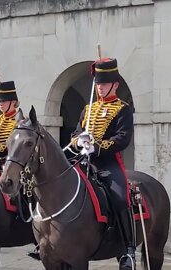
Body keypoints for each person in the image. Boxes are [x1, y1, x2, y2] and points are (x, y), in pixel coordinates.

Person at [71, 58, 136, 270]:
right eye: (98, 84)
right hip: (84, 163)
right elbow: (75, 133)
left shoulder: (122, 109)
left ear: (115, 85)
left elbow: (123, 138)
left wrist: (97, 147)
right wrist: (79, 140)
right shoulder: (87, 109)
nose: (100, 87)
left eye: (104, 83)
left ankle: (128, 250)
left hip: (108, 164)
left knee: (119, 197)